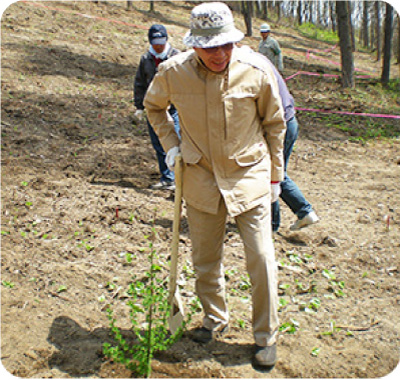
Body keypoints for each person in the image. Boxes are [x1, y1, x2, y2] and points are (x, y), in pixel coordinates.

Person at [144, 2, 286, 368]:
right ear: (194, 45)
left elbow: (275, 124)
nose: (220, 54)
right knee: (205, 259)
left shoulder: (256, 70)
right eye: (210, 47)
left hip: (249, 177)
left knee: (261, 258)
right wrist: (172, 146)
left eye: (226, 45)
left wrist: (275, 176)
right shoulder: (173, 72)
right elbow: (153, 107)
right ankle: (213, 318)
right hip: (201, 177)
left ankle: (265, 335)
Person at [134, 24, 181, 190]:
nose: (158, 45)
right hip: (154, 106)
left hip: (174, 106)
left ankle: (179, 178)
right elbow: (140, 82)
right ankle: (167, 177)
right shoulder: (146, 59)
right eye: (155, 42)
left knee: (175, 140)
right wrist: (139, 105)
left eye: (161, 42)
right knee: (158, 142)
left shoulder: (176, 57)